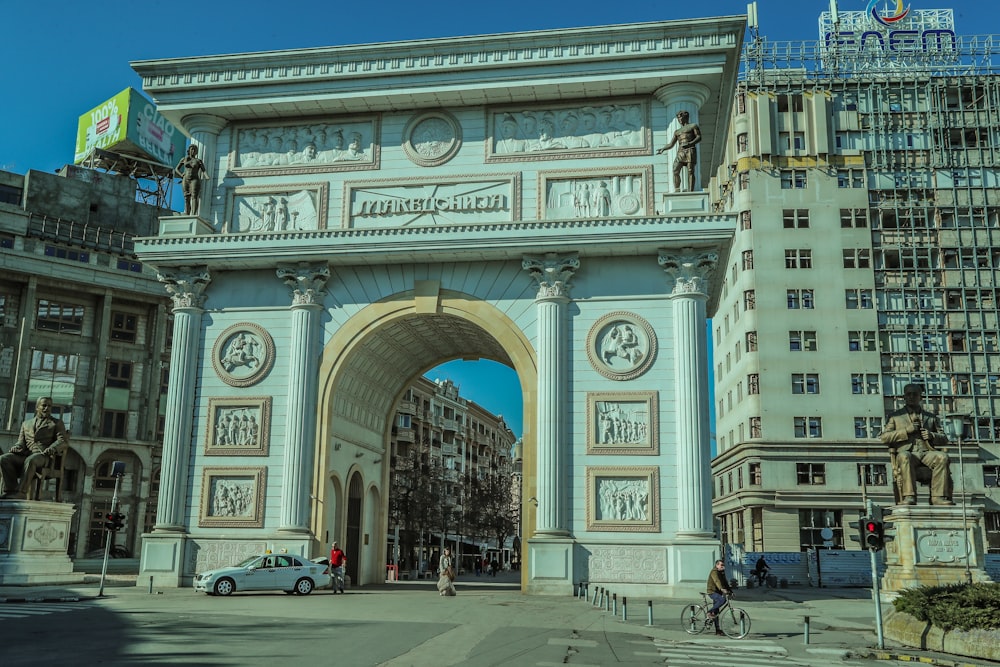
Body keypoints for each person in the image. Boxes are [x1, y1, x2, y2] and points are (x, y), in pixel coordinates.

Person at [880, 384, 954, 506]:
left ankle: (938, 497)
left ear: (921, 397)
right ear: (904, 397)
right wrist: (906, 431)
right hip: (908, 453)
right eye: (908, 394)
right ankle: (909, 496)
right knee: (904, 456)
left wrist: (932, 435)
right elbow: (884, 437)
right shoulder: (895, 417)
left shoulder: (930, 417)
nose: (911, 397)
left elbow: (944, 438)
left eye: (915, 394)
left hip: (927, 453)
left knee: (942, 457)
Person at [1, 397, 69, 499]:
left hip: (44, 456)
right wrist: (16, 447)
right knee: (4, 458)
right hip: (26, 454)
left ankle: (21, 492)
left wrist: (53, 448)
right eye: (44, 405)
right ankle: (11, 490)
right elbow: (20, 442)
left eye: (49, 406)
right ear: (37, 407)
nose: (47, 408)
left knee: (31, 460)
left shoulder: (56, 423)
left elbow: (63, 441)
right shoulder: (26, 424)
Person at [657, 110, 703, 193]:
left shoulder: (693, 126)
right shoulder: (677, 131)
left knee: (690, 170)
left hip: (690, 150)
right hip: (681, 152)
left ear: (686, 117)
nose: (679, 119)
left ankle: (691, 190)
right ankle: (677, 189)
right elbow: (671, 144)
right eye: (678, 118)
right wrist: (663, 149)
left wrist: (690, 143)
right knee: (675, 169)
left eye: (681, 117)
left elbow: (699, 137)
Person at [174, 145, 210, 216]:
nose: (193, 151)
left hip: (194, 179)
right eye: (192, 149)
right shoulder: (184, 159)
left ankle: (193, 213)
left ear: (196, 152)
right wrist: (181, 175)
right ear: (189, 150)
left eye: (194, 150)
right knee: (186, 197)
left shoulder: (198, 161)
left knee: (194, 196)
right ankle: (187, 213)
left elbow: (203, 170)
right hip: (185, 179)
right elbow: (176, 169)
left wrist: (206, 176)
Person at [706, 559, 731, 637]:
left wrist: (731, 591)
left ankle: (717, 630)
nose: (723, 567)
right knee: (722, 600)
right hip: (712, 592)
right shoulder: (714, 572)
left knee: (716, 612)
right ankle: (709, 612)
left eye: (723, 565)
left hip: (718, 592)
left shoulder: (721, 572)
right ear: (717, 565)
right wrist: (721, 589)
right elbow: (717, 581)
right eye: (721, 565)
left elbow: (725, 582)